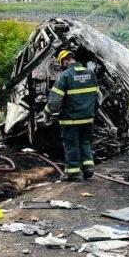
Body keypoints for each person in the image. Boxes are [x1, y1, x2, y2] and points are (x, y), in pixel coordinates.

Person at [46, 50, 99, 182]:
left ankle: (73, 173)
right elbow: (97, 97)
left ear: (65, 61)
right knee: (85, 142)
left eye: (61, 63)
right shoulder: (90, 73)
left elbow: (55, 102)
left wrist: (47, 112)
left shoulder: (65, 75)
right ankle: (88, 168)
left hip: (70, 120)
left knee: (71, 145)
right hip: (88, 118)